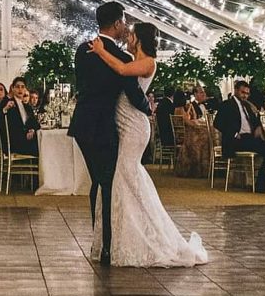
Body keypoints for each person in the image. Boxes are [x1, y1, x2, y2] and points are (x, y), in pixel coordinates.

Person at [89, 22, 207, 267]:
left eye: (131, 35)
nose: (127, 37)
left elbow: (122, 70)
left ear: (139, 38)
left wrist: (101, 51)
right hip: (123, 124)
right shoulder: (134, 58)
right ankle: (124, 237)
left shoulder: (149, 62)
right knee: (125, 178)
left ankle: (145, 236)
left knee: (125, 175)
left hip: (133, 126)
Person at [68, 1, 151, 266]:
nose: (126, 26)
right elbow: (132, 91)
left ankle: (99, 237)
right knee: (107, 184)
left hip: (82, 124)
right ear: (116, 23)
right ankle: (106, 245)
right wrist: (147, 107)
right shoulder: (122, 58)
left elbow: (82, 83)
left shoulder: (83, 50)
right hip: (104, 126)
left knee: (98, 182)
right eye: (124, 21)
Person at [214, 80, 265, 192]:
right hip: (236, 141)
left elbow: (256, 119)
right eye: (243, 92)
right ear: (236, 90)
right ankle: (262, 182)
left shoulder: (247, 105)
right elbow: (217, 123)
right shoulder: (227, 105)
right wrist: (234, 134)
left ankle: (263, 180)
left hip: (249, 138)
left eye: (247, 93)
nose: (245, 95)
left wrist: (258, 127)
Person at [3, 78, 40, 155]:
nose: (20, 89)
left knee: (43, 142)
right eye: (17, 87)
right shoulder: (7, 102)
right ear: (12, 89)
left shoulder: (27, 106)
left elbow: (36, 124)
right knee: (42, 145)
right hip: (13, 142)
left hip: (26, 140)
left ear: (25, 89)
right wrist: (5, 109)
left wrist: (32, 130)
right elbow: (0, 120)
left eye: (22, 87)